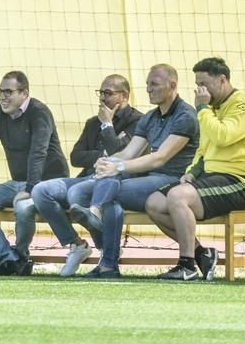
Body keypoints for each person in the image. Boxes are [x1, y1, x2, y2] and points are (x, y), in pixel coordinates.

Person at [145, 57, 245, 280]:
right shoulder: (213, 109)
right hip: (215, 178)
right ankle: (202, 253)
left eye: (204, 84)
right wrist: (192, 172)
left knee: (177, 197)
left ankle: (187, 266)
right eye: (197, 85)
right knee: (154, 203)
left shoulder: (243, 106)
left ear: (222, 80)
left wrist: (202, 108)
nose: (200, 90)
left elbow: (222, 137)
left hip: (243, 181)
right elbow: (205, 149)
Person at [80, 63, 200, 279]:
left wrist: (117, 167)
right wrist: (107, 162)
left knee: (109, 191)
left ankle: (96, 221)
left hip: (171, 181)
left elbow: (159, 158)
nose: (148, 89)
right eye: (147, 84)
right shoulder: (150, 117)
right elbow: (129, 153)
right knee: (110, 193)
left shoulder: (186, 116)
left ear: (172, 85)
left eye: (154, 84)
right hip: (148, 178)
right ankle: (107, 264)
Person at [32, 74, 143, 276]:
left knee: (76, 194)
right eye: (100, 93)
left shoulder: (139, 122)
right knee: (40, 190)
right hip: (87, 177)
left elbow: (122, 156)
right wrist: (102, 155)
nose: (102, 98)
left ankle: (105, 247)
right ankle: (77, 244)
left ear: (124, 95)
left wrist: (107, 125)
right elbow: (76, 157)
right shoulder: (93, 122)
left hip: (116, 180)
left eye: (107, 93)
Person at [0, 71, 69, 275]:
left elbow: (38, 152)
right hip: (19, 182)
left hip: (49, 184)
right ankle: (10, 260)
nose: (3, 96)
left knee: (22, 207)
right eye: (0, 91)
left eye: (8, 92)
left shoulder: (40, 112)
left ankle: (21, 255)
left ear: (24, 93)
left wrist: (31, 188)